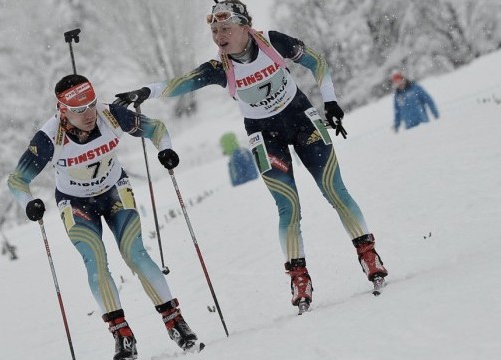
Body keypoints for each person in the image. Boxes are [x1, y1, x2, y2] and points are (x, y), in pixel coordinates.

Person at [113, 0, 388, 314]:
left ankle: (368, 255)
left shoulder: (272, 41)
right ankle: (299, 278)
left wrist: (331, 101)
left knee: (335, 191)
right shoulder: (220, 68)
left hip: (303, 122)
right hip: (265, 137)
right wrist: (143, 93)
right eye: (214, 30)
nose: (218, 35)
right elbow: (178, 83)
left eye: (225, 28)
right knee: (288, 207)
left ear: (245, 27)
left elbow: (316, 61)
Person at [8, 74, 202, 359]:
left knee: (135, 253)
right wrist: (29, 202)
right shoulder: (48, 137)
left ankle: (176, 322)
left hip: (114, 191)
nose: (88, 114)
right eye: (78, 110)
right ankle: (122, 335)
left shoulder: (111, 115)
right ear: (63, 110)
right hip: (75, 202)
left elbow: (156, 129)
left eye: (91, 105)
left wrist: (166, 150)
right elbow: (16, 180)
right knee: (95, 261)